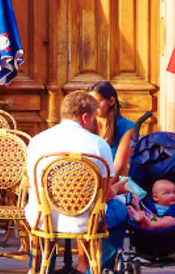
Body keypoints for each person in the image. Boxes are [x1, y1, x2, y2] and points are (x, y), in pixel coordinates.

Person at [25, 90, 129, 273]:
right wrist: (117, 189)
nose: (94, 123)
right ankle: (99, 269)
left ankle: (40, 268)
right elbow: (104, 196)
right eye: (93, 118)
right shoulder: (97, 144)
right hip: (85, 221)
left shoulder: (36, 141)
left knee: (38, 209)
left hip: (43, 218)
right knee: (120, 210)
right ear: (84, 117)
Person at [88, 81, 135, 178]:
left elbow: (118, 166)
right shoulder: (85, 123)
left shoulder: (127, 126)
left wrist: (106, 190)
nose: (92, 107)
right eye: (90, 103)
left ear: (111, 101)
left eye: (97, 102)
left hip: (112, 182)